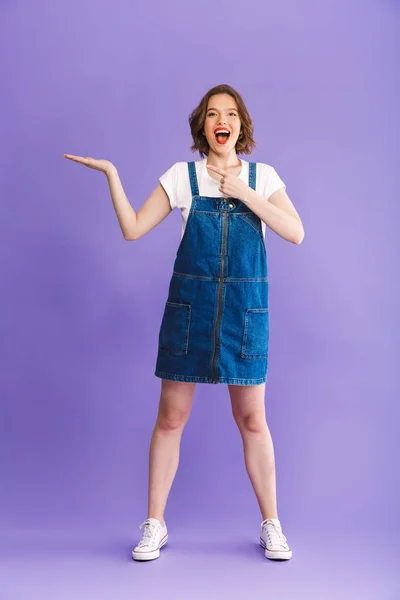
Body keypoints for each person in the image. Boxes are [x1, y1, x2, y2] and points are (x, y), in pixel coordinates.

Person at [63, 83, 304, 562]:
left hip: (243, 315)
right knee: (170, 419)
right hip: (189, 314)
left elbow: (295, 232)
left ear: (241, 125)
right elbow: (132, 229)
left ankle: (272, 525)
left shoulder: (263, 176)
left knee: (252, 419)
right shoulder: (182, 177)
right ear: (203, 125)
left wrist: (245, 193)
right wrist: (112, 174)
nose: (223, 120)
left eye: (231, 113)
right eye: (214, 113)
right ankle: (154, 524)